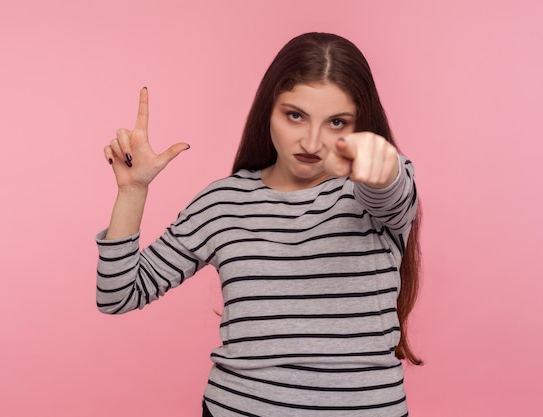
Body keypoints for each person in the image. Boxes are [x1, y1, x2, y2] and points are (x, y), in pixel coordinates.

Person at [97, 32, 422, 417]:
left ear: (359, 126)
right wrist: (132, 191)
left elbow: (390, 188)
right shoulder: (223, 202)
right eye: (295, 115)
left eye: (336, 122)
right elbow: (117, 295)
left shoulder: (374, 193)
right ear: (269, 110)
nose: (312, 142)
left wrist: (382, 170)